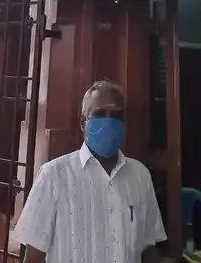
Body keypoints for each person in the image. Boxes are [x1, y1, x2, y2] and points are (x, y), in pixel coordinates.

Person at [12, 80, 171, 262]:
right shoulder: (54, 175)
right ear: (83, 123)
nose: (109, 122)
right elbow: (33, 256)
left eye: (116, 116)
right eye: (100, 114)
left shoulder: (140, 176)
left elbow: (146, 246)